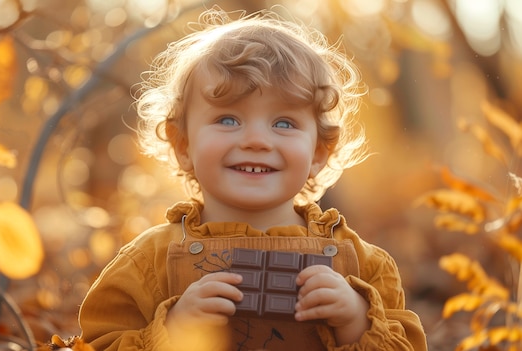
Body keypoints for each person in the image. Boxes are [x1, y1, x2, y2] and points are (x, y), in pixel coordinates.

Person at [78, 6, 427, 351]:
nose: (256, 140)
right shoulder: (148, 262)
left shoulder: (362, 266)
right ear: (183, 144)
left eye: (284, 123)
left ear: (319, 153)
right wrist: (173, 329)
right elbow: (97, 344)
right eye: (228, 119)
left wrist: (356, 320)